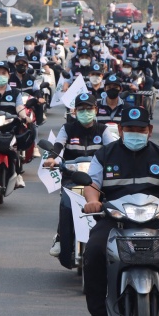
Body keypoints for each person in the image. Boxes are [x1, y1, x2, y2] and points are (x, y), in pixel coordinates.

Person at [82, 105, 159, 316]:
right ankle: (98, 315)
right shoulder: (104, 155)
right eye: (130, 128)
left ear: (149, 130)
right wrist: (92, 201)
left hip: (156, 219)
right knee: (92, 252)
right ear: (120, 130)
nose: (135, 133)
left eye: (140, 129)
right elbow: (91, 186)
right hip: (114, 220)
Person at [44, 93, 116, 265]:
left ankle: (112, 236)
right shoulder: (67, 128)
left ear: (95, 110)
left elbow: (113, 149)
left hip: (97, 179)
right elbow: (58, 145)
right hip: (72, 177)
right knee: (66, 205)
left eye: (89, 108)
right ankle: (61, 237)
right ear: (75, 111)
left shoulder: (103, 130)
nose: (85, 112)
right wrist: (52, 158)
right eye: (81, 109)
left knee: (108, 205)